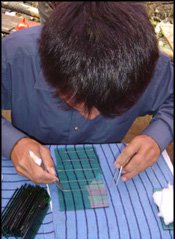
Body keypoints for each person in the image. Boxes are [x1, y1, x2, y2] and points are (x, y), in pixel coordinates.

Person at [2, 2, 173, 185]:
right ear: (51, 70)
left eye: (110, 106)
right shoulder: (16, 56)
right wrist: (12, 144)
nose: (90, 116)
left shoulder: (149, 66)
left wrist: (157, 136)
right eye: (75, 100)